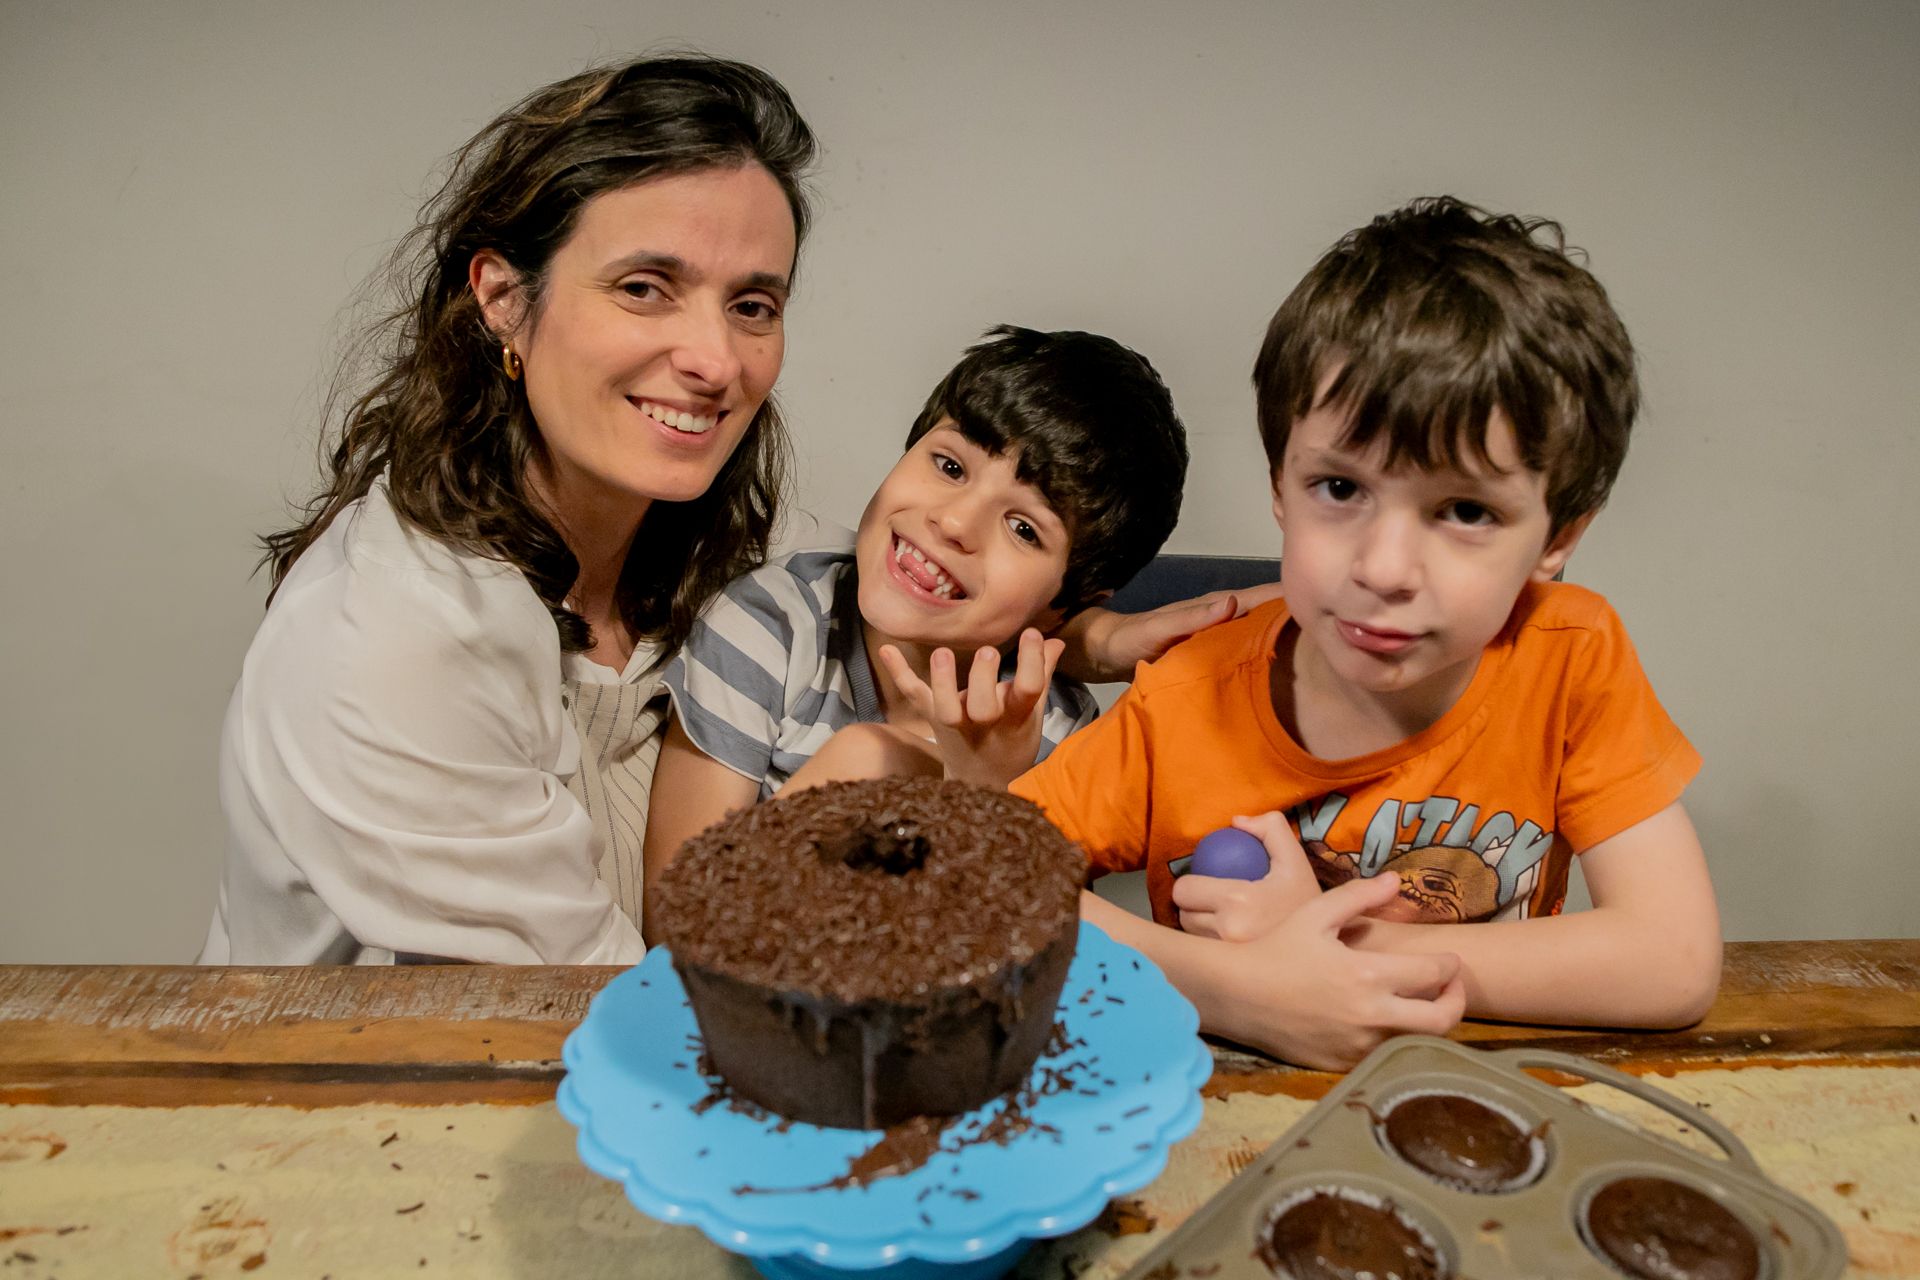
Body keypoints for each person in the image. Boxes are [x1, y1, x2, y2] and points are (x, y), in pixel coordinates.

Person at [198, 55, 1259, 967]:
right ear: (503, 300)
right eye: (645, 286)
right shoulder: (397, 640)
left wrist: (1078, 638)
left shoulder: (674, 545)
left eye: (752, 304)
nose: (714, 361)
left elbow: (925, 612)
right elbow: (595, 1006)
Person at [893, 197, 1722, 1069]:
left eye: (1466, 510)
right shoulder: (1185, 700)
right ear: (1281, 487)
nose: (1387, 567)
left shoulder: (1570, 658)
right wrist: (1235, 986)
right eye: (1340, 489)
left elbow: (1672, 962)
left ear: (1557, 538)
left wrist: (1334, 943)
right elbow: (978, 885)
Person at [640, 326, 1188, 935]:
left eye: (1024, 529)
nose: (954, 522)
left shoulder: (1054, 731)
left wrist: (986, 789)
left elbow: (1022, 960)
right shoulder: (770, 628)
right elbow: (678, 927)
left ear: (1065, 605)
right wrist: (879, 764)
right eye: (950, 465)